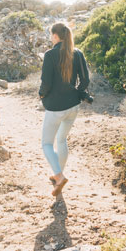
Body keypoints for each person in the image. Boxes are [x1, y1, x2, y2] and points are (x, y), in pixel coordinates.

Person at [38, 22, 90, 197]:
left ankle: (59, 176)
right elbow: (84, 81)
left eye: (51, 35)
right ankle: (58, 174)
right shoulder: (77, 53)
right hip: (73, 106)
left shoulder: (50, 55)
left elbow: (46, 83)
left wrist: (42, 96)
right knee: (61, 140)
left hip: (55, 107)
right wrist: (78, 93)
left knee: (46, 143)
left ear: (55, 36)